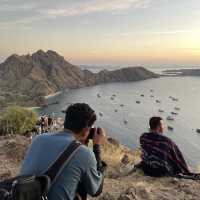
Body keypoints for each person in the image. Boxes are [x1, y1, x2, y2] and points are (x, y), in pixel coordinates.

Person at [20, 103, 106, 200]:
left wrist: (81, 143)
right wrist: (97, 146)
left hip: (25, 194)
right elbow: (96, 191)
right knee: (82, 184)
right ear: (86, 130)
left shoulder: (39, 139)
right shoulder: (84, 153)